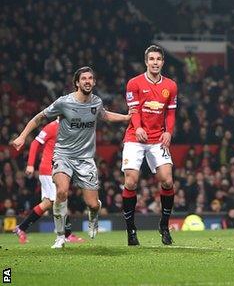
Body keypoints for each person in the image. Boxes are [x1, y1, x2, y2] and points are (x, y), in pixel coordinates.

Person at [11, 66, 131, 249]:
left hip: (86, 159)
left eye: (90, 78)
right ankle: (60, 237)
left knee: (92, 204)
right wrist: (22, 136)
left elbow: (105, 115)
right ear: (77, 83)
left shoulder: (96, 103)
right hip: (63, 155)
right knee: (61, 192)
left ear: (94, 82)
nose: (88, 81)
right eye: (84, 78)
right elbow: (39, 118)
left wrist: (126, 118)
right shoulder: (64, 102)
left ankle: (93, 215)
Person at [121, 45, 178, 246]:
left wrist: (168, 132)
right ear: (146, 62)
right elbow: (133, 109)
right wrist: (137, 128)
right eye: (151, 59)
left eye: (158, 59)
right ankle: (131, 230)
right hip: (134, 138)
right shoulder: (134, 83)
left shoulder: (170, 85)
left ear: (162, 62)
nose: (155, 62)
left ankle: (163, 225)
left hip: (157, 140)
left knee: (168, 181)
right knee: (130, 182)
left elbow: (170, 113)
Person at [13, 119, 84, 244]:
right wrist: (30, 164)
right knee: (60, 199)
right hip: (48, 169)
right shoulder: (52, 127)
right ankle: (67, 234)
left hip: (59, 169)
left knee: (46, 203)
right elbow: (35, 143)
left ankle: (21, 228)